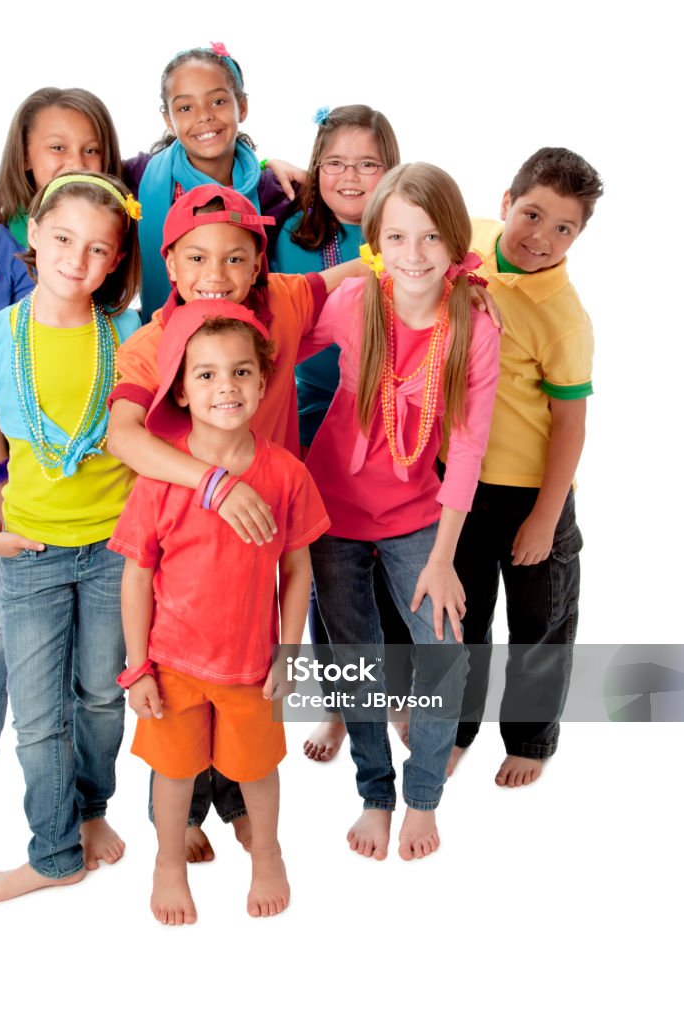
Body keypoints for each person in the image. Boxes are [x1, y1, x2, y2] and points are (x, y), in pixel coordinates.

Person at [107, 182, 353, 861]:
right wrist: (211, 484)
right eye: (194, 260)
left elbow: (357, 271)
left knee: (246, 696)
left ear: (258, 264)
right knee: (177, 709)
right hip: (181, 527)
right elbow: (122, 437)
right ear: (171, 264)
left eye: (235, 260)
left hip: (264, 528)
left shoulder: (284, 304)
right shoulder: (153, 341)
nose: (214, 276)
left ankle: (245, 811)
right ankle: (176, 821)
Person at [0, 172, 141, 903]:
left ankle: (91, 812)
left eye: (96, 249)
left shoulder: (128, 334)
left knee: (99, 698)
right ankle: (53, 852)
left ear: (115, 259)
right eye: (62, 240)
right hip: (29, 556)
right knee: (35, 717)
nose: (76, 259)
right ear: (32, 235)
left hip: (115, 554)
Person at [302, 163, 500, 861]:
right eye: (396, 237)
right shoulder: (356, 300)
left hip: (418, 511)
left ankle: (423, 799)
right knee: (355, 659)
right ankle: (375, 794)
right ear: (375, 241)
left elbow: (470, 447)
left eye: (428, 237)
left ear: (453, 241)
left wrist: (444, 556)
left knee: (444, 650)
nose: (413, 255)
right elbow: (279, 348)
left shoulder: (472, 327)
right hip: (330, 510)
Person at [109, 300, 329, 923]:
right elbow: (136, 577)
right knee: (174, 774)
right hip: (172, 664)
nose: (224, 387)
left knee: (257, 771)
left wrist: (289, 652)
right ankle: (167, 864)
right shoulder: (161, 478)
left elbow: (299, 570)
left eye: (239, 372)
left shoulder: (286, 475)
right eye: (205, 374)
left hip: (251, 667)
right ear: (180, 388)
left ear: (263, 383)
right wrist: (137, 667)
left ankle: (268, 855)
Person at [446, 147, 603, 787]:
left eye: (564, 228)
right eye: (533, 215)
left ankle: (531, 740)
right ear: (506, 204)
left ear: (579, 235)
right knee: (461, 620)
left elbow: (570, 424)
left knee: (539, 625)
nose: (543, 238)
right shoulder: (472, 244)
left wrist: (544, 517)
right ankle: (454, 730)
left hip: (533, 494)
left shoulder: (563, 321)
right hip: (460, 487)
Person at [0, 44, 298, 323]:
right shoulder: (140, 179)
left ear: (242, 106)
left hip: (242, 353)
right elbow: (62, 205)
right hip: (157, 337)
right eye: (186, 107)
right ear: (168, 118)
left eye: (219, 101)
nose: (204, 115)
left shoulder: (269, 189)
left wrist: (273, 165)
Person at [271, 103, 412, 763]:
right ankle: (339, 701)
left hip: (392, 419)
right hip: (310, 416)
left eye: (367, 164)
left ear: (391, 170)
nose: (350, 177)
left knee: (392, 565)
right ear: (315, 168)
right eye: (334, 163)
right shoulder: (290, 232)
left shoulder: (408, 231)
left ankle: (403, 692)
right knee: (329, 570)